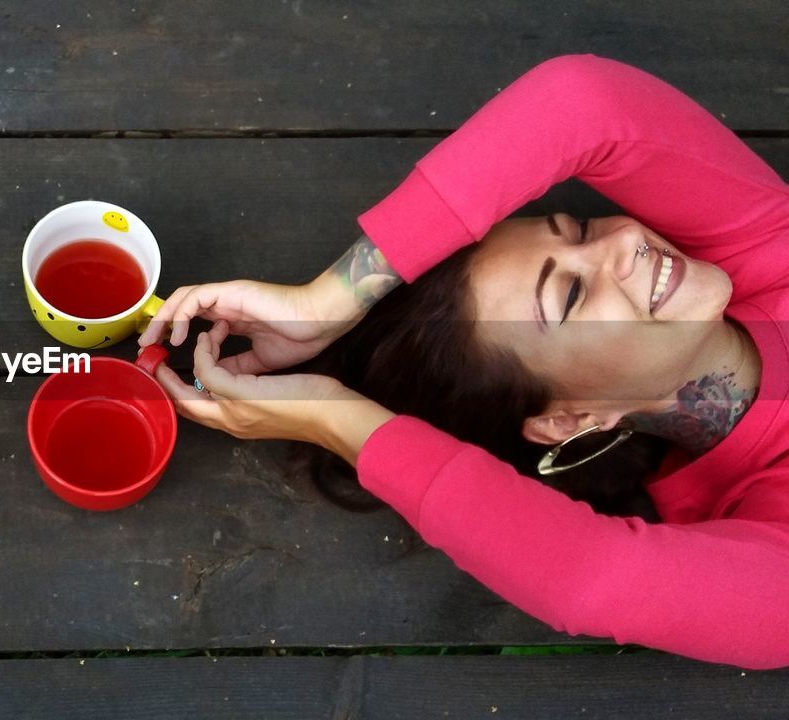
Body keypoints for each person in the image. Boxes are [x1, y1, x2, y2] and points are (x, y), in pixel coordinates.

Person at [138, 55, 789, 670]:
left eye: (583, 231)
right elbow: (591, 582)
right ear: (571, 420)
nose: (625, 241)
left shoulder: (765, 243)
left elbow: (584, 101)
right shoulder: (764, 529)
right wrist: (329, 417)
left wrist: (330, 298)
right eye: (569, 294)